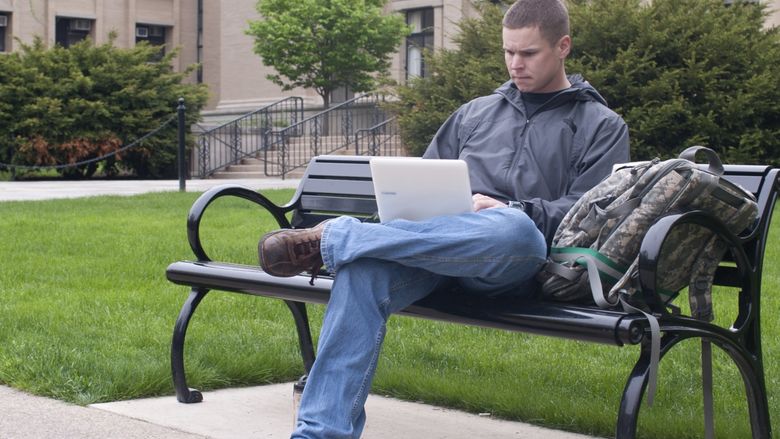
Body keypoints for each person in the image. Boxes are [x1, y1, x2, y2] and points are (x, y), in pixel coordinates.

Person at [258, 0, 630, 437]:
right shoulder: (475, 114)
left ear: (563, 46)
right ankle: (319, 434)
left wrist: (515, 209)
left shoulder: (599, 125)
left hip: (514, 262)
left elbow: (590, 213)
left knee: (515, 230)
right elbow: (423, 181)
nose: (515, 64)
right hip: (433, 254)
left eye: (528, 54)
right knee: (362, 270)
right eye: (508, 52)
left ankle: (336, 238)